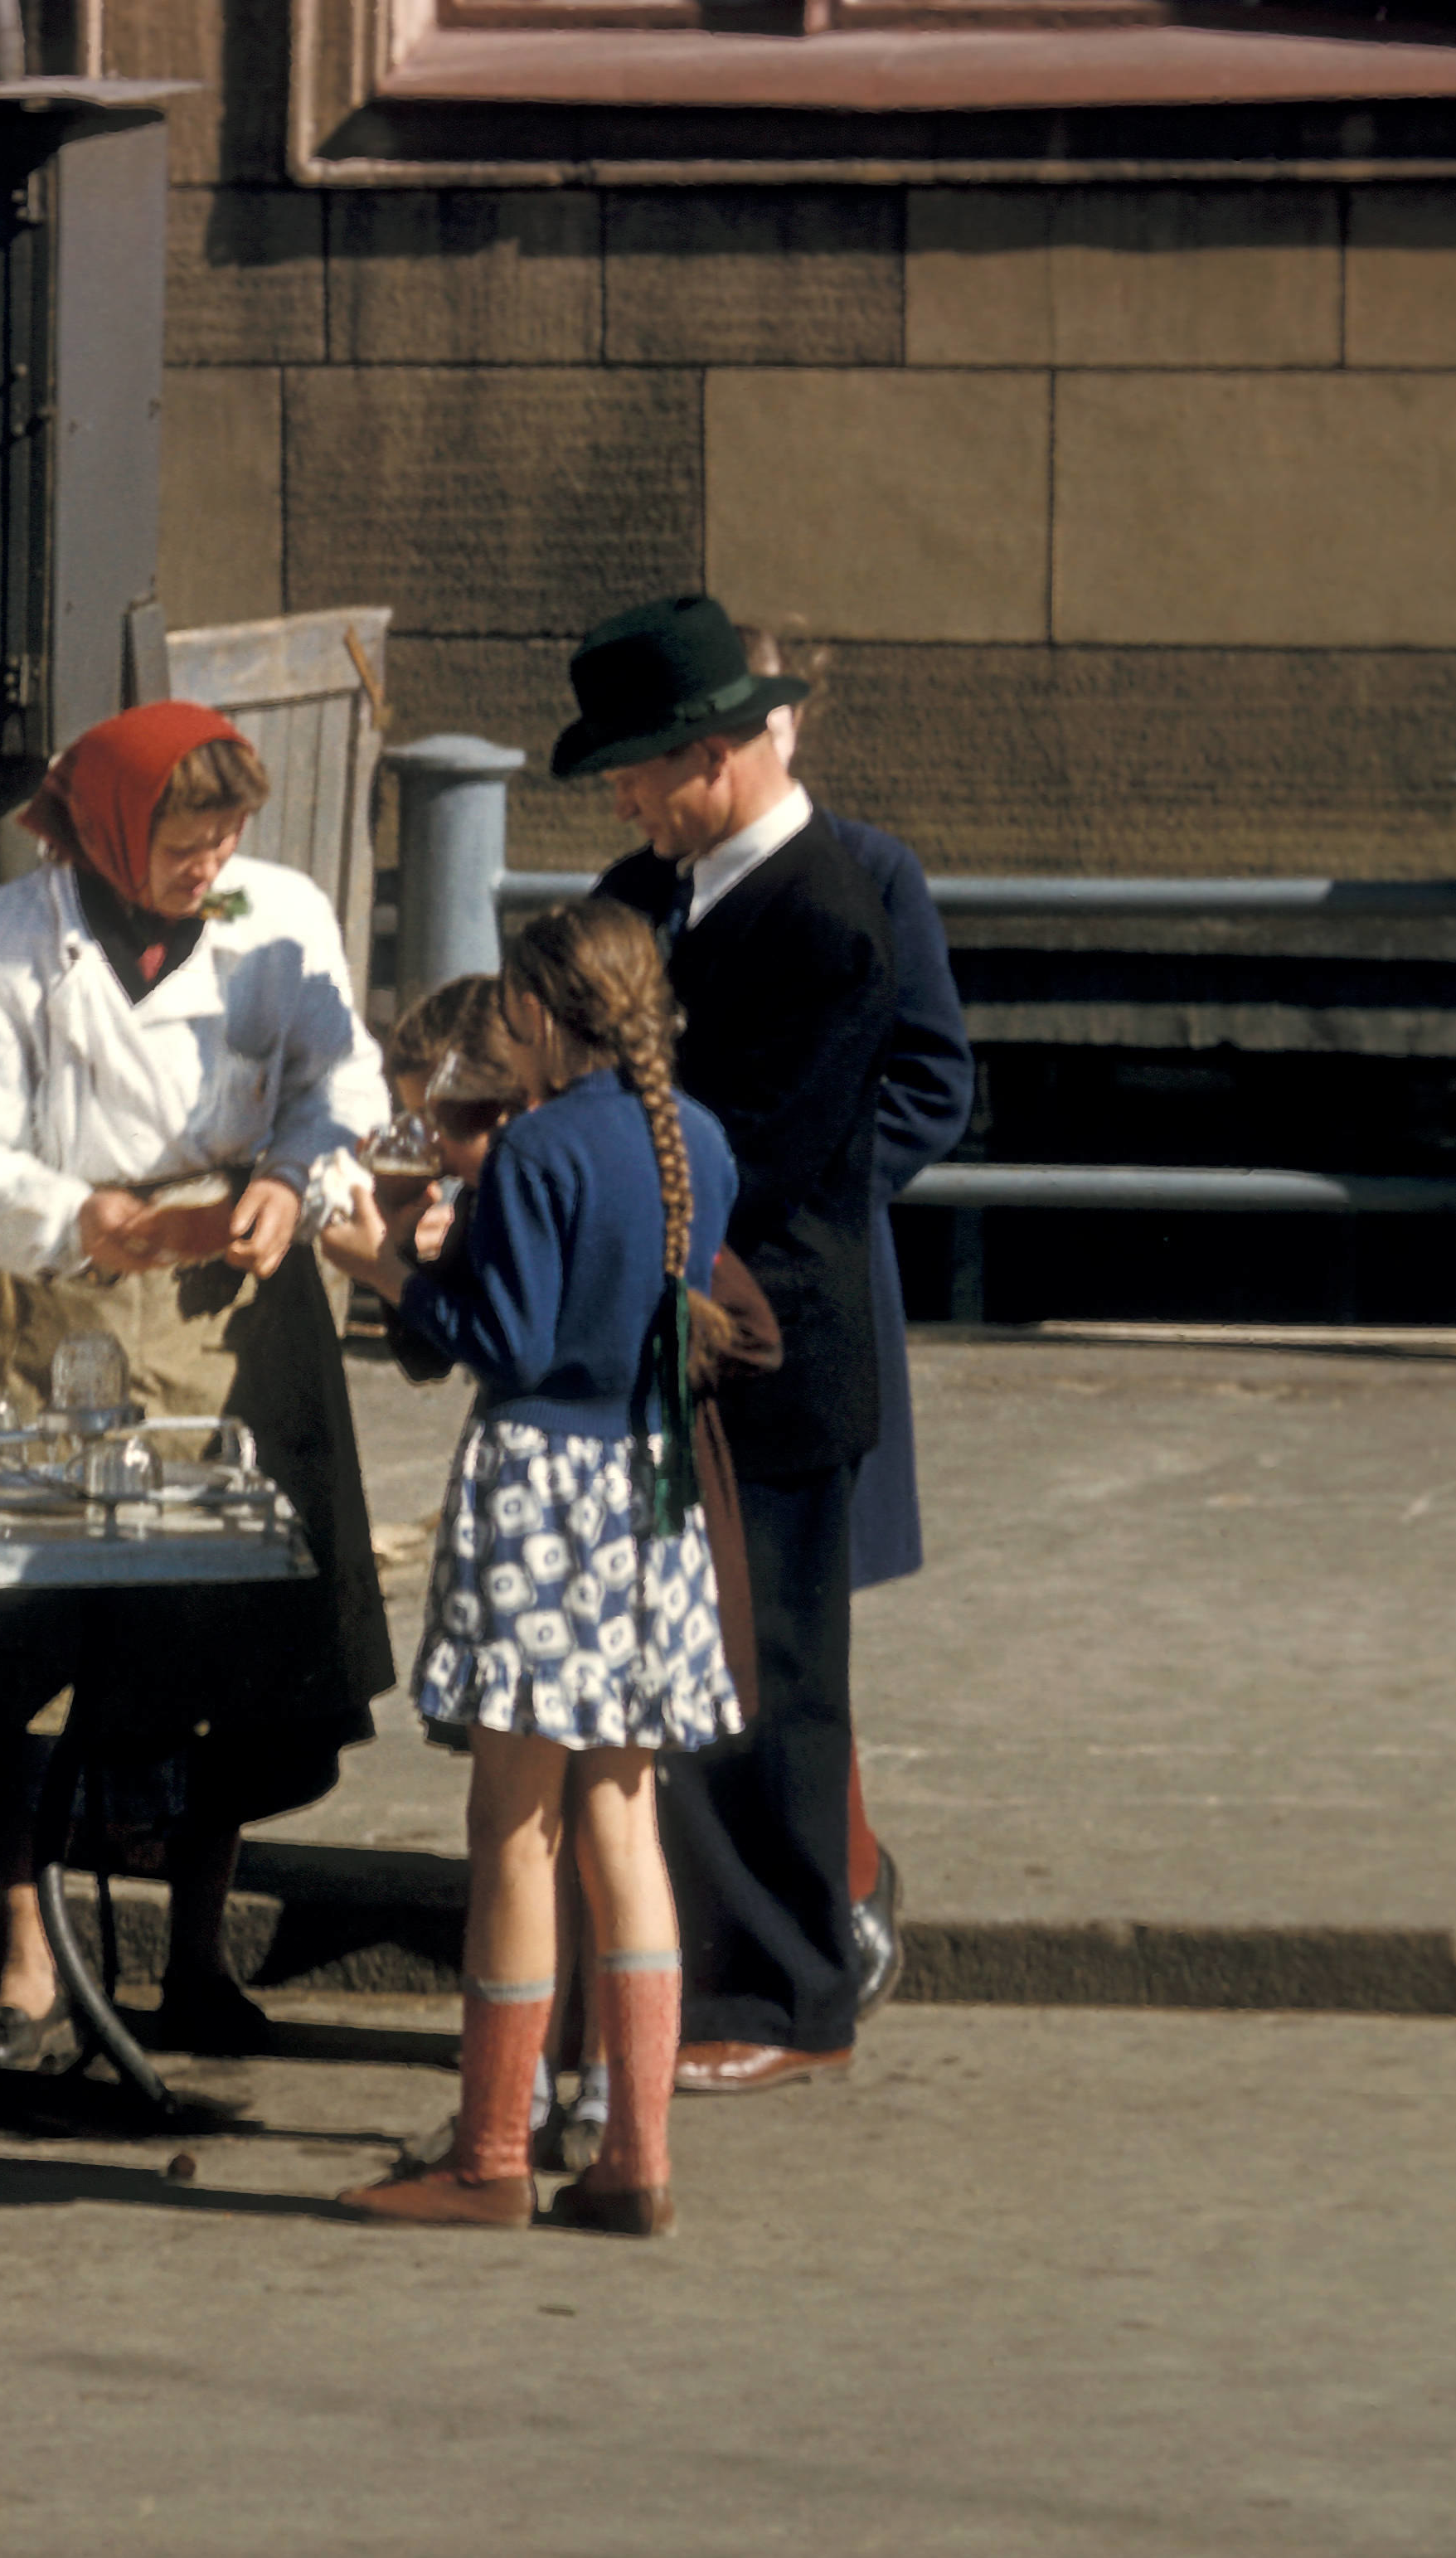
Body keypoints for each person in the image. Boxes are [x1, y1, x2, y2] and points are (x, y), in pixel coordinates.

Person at [0, 700, 395, 2067]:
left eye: (228, 830)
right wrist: (93, 1219)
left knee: (221, 1646)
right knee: (32, 1652)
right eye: (186, 833)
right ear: (113, 827)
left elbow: (339, 1082)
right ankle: (29, 1962)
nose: (212, 856)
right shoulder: (6, 941)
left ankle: (192, 1957)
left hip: (234, 1315)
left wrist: (296, 1178)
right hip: (51, 1311)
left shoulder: (276, 914)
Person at [317, 904, 740, 2234]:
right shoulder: (697, 1141)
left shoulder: (538, 1149)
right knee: (625, 1821)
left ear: (546, 1016)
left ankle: (492, 2151)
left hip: (542, 1487)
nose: (497, 1031)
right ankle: (636, 2155)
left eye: (508, 1012)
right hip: (648, 1481)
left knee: (513, 1825)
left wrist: (378, 1263)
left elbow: (499, 1338)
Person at [556, 595, 900, 2094]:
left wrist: (592, 1180)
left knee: (773, 1683)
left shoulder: (826, 910)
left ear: (707, 757)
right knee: (685, 1676)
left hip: (769, 1355)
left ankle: (786, 1992)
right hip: (672, 1344)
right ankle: (690, 1965)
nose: (622, 804)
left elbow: (763, 1146)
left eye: (633, 773)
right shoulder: (651, 884)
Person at [740, 628, 974, 2007]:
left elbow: (933, 1078)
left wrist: (814, 1187)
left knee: (805, 1618)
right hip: (689, 1292)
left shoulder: (869, 872)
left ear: (792, 726)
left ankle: (844, 1870)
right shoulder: (663, 886)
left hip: (817, 1275)